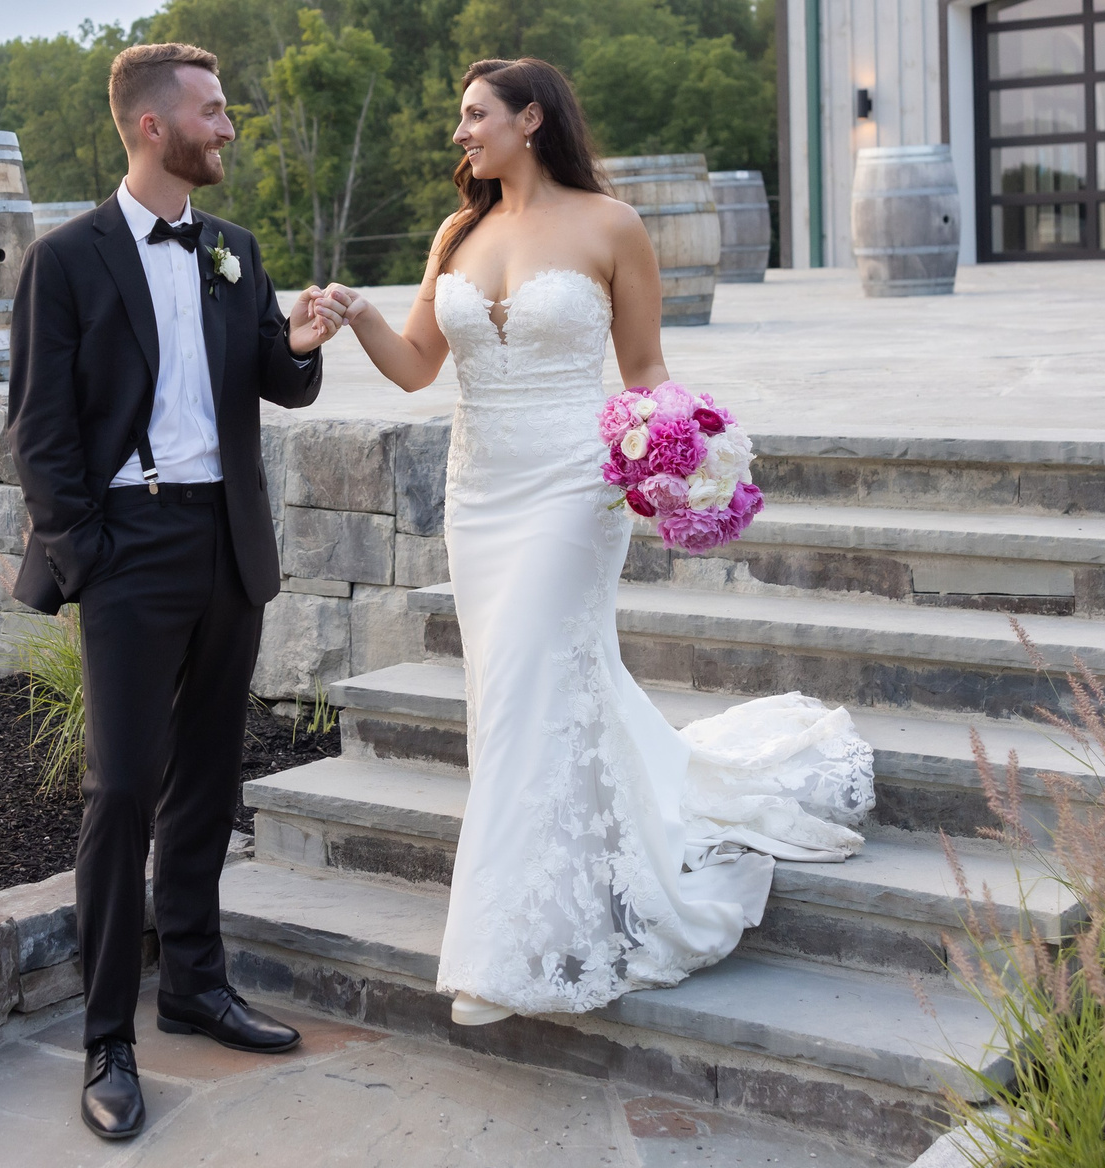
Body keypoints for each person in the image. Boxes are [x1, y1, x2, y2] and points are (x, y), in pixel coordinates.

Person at [316, 57, 873, 1026]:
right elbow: (414, 367)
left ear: (530, 118)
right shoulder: (458, 231)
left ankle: (508, 948)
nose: (460, 132)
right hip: (479, 491)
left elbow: (646, 366)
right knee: (512, 695)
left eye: (474, 114)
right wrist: (357, 312)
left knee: (533, 672)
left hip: (575, 488)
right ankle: (550, 885)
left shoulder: (610, 226)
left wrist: (674, 458)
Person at [5, 41, 348, 1141]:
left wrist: (300, 344)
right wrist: (91, 552)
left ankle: (195, 982)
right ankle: (109, 1035)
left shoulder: (233, 251)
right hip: (129, 544)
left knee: (208, 772)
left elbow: (276, 383)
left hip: (226, 540)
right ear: (153, 125)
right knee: (121, 789)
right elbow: (39, 432)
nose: (228, 126)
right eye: (212, 109)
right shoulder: (65, 260)